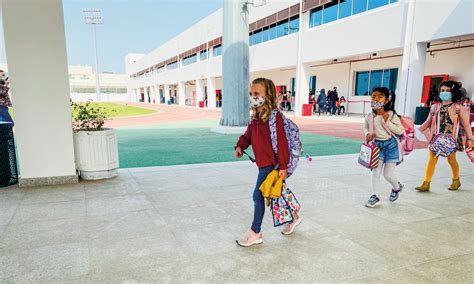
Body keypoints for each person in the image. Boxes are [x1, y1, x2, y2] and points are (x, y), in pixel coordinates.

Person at [235, 77, 299, 247]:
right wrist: (240, 145)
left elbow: (282, 143)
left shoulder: (274, 117)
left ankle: (255, 232)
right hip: (263, 164)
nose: (252, 97)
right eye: (251, 94)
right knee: (277, 192)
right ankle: (294, 214)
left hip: (273, 165)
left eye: (256, 94)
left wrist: (283, 166)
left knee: (258, 195)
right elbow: (248, 135)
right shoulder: (255, 118)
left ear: (268, 95)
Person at [416, 81, 474, 192]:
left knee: (451, 160)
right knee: (431, 160)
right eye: (442, 90)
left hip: (451, 140)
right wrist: (415, 131)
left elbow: (466, 124)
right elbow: (428, 122)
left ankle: (456, 180)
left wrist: (470, 139)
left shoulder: (458, 108)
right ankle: (426, 183)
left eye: (448, 90)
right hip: (436, 139)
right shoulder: (434, 107)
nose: (444, 93)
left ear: (454, 92)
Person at [363, 87, 404, 208]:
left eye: (379, 97)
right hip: (377, 147)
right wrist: (367, 134)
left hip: (391, 147)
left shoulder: (391, 115)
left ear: (386, 100)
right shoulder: (369, 116)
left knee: (388, 174)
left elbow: (400, 131)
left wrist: (387, 121)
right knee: (376, 172)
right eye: (373, 96)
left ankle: (397, 187)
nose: (375, 99)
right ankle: (376, 196)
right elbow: (365, 127)